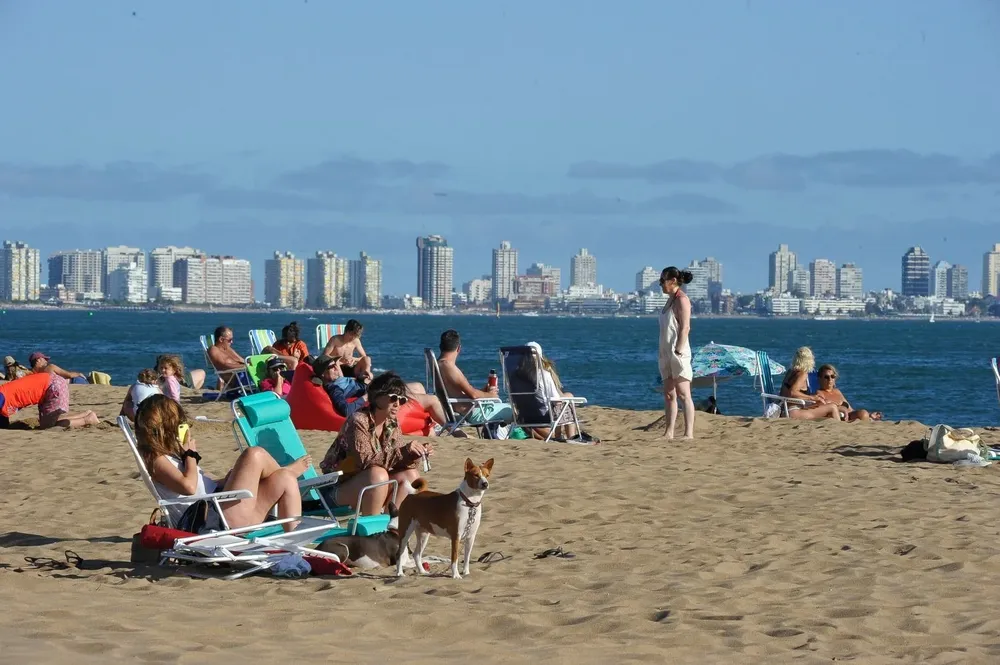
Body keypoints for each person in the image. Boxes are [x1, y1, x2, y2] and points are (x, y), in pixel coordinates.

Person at [136, 394, 311, 533]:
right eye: (179, 422)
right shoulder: (156, 460)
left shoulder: (171, 457)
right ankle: (284, 469)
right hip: (212, 521)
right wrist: (190, 456)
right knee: (253, 454)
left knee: (285, 479)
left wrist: (226, 480)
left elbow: (200, 488)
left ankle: (294, 540)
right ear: (168, 427)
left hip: (224, 509)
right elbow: (189, 487)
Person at [319, 372, 433, 516]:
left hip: (368, 484)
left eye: (402, 400)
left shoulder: (392, 424)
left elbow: (395, 460)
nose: (397, 404)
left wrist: (413, 454)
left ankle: (390, 526)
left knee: (411, 475)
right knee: (378, 474)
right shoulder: (359, 421)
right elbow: (366, 461)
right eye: (393, 398)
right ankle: (372, 530)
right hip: (335, 489)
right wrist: (403, 452)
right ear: (377, 397)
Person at [311, 355, 449, 430]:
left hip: (376, 387)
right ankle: (452, 429)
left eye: (336, 364)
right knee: (432, 399)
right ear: (323, 374)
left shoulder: (337, 380)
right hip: (379, 394)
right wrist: (366, 396)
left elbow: (353, 386)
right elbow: (346, 410)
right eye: (331, 367)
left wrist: (361, 379)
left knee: (418, 386)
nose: (336, 367)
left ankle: (433, 422)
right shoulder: (334, 389)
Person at [437, 329, 512, 426]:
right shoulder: (449, 367)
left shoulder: (438, 364)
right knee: (515, 411)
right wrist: (491, 395)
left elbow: (459, 393)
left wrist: (484, 391)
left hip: (457, 409)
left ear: (440, 346)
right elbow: (473, 395)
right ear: (459, 348)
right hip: (472, 413)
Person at [658, 266, 696, 440]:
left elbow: (685, 327)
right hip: (665, 352)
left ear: (672, 281)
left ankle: (688, 433)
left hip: (678, 352)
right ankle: (669, 432)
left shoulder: (682, 299)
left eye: (662, 281)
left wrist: (679, 349)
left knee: (683, 393)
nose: (661, 285)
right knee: (668, 393)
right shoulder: (670, 300)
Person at [0, 371, 99, 429]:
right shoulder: (3, 393)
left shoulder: (2, 396)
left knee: (48, 427)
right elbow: (3, 422)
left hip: (52, 386)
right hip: (49, 385)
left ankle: (87, 419)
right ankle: (86, 414)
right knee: (47, 422)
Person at [524, 341, 579, 440]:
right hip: (543, 415)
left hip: (524, 415)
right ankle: (571, 437)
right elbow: (557, 400)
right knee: (567, 399)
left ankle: (560, 436)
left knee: (564, 399)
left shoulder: (515, 377)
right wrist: (569, 396)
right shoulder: (544, 375)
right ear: (540, 356)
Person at [815, 364, 881, 422]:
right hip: (839, 420)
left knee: (863, 413)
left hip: (849, 417)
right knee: (863, 414)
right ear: (820, 379)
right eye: (826, 377)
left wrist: (869, 414)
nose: (830, 379)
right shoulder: (819, 393)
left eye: (832, 376)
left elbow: (851, 409)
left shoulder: (837, 391)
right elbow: (824, 409)